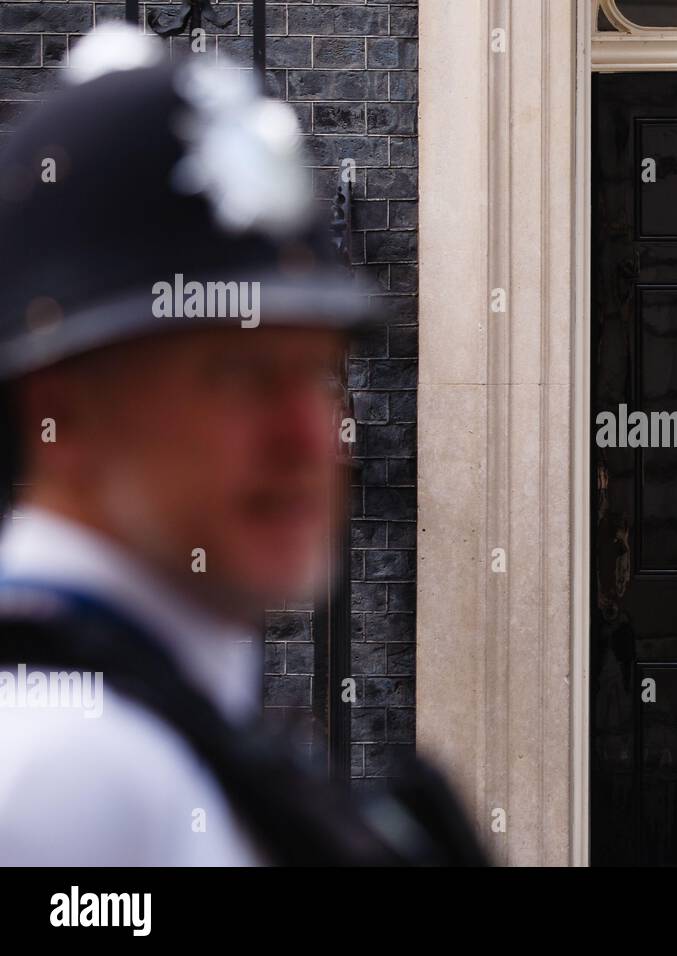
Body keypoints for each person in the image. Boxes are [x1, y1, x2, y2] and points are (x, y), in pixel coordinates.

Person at [0, 26, 484, 866]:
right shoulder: (69, 777)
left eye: (320, 372)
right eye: (239, 373)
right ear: (62, 413)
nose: (308, 434)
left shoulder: (168, 719)